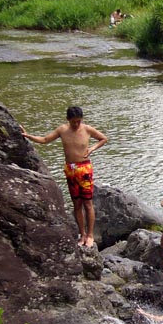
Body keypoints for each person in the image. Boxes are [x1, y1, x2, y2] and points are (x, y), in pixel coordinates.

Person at [20, 106, 107, 248]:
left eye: (79, 121)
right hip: (70, 170)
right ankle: (82, 234)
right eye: (74, 122)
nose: (76, 124)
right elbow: (44, 139)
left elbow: (103, 139)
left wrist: (92, 148)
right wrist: (29, 136)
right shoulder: (62, 130)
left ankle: (90, 235)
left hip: (84, 169)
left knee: (88, 204)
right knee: (77, 204)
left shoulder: (87, 129)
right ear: (68, 120)